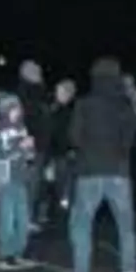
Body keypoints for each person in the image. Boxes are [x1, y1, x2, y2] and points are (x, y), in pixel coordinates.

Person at [62, 57, 136, 272]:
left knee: (82, 224)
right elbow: (131, 137)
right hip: (119, 172)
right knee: (126, 227)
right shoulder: (125, 104)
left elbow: (74, 136)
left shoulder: (85, 104)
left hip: (89, 172)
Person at [0, 95, 37, 270]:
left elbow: (29, 153)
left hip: (20, 177)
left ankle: (18, 253)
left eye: (18, 107)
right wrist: (20, 147)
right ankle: (4, 255)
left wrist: (30, 149)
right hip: (6, 178)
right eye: (14, 108)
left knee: (23, 219)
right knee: (6, 218)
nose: (18, 111)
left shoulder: (22, 127)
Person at [15, 60, 51, 230]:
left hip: (37, 144)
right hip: (31, 145)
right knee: (30, 184)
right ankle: (25, 218)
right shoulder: (30, 94)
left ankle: (25, 217)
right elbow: (33, 119)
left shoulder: (36, 92)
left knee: (31, 184)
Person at [41, 78, 77, 223]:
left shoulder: (72, 110)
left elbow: (71, 133)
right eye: (57, 91)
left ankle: (63, 210)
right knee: (49, 182)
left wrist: (72, 148)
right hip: (51, 151)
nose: (57, 94)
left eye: (61, 91)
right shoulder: (52, 108)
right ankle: (52, 210)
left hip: (64, 152)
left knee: (64, 182)